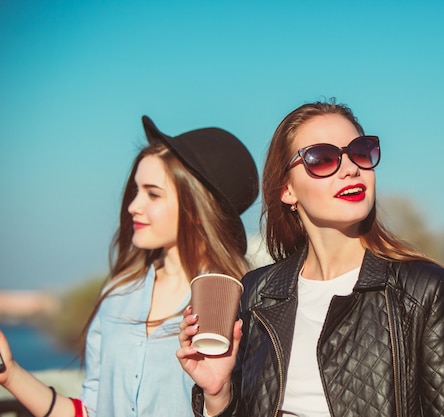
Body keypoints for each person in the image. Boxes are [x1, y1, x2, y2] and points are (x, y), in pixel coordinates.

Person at [177, 100, 444, 417]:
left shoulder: (422, 289)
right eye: (322, 159)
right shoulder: (256, 292)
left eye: (360, 151)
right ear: (287, 190)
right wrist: (218, 393)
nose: (351, 169)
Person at [0, 115, 259, 417]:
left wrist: (216, 396)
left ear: (197, 210)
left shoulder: (240, 304)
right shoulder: (118, 293)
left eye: (152, 194)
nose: (133, 205)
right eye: (136, 191)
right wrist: (11, 373)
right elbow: (91, 411)